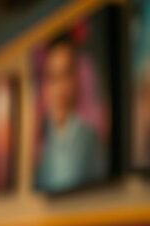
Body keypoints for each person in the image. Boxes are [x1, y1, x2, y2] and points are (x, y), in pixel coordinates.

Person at [35, 33, 106, 192]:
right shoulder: (44, 138)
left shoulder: (88, 138)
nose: (59, 87)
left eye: (66, 74)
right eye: (53, 77)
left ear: (78, 78)